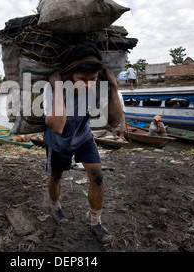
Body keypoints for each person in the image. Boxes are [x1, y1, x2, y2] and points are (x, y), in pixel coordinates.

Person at [43, 42, 123, 244]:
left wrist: (113, 87)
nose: (87, 85)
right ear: (69, 73)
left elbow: (114, 121)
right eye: (82, 79)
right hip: (58, 140)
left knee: (97, 177)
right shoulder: (51, 87)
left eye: (93, 79)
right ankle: (55, 207)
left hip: (83, 137)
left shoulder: (99, 86)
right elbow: (58, 126)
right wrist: (60, 89)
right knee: (57, 175)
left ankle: (96, 222)